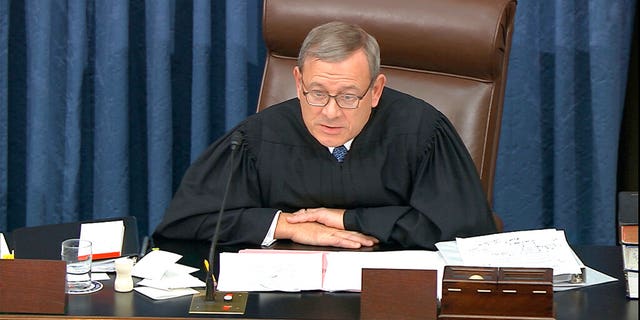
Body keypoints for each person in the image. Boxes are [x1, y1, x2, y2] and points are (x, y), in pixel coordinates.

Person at [154, 21, 497, 250]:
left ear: (376, 90)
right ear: (298, 82)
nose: (330, 112)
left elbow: (466, 235)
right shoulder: (257, 138)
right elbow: (184, 224)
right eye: (317, 93)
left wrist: (351, 218)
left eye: (349, 96)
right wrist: (283, 225)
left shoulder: (422, 131)